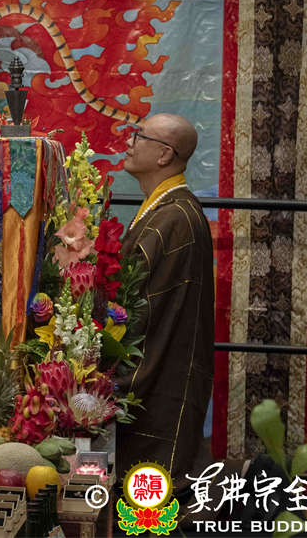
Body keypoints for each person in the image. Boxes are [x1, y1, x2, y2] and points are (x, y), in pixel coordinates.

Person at [116, 112, 214, 479]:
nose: (129, 142)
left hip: (162, 373)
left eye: (138, 136)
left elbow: (144, 307)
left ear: (164, 155)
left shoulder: (175, 219)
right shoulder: (165, 210)